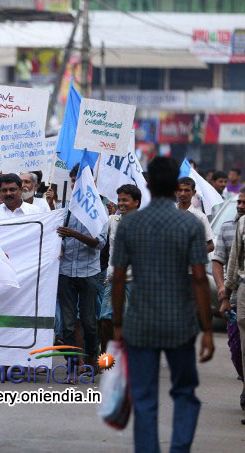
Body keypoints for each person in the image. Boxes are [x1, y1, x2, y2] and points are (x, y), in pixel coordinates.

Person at [112, 156, 214, 453]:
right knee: (184, 392)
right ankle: (179, 448)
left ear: (148, 186)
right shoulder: (190, 223)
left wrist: (118, 324)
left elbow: (118, 278)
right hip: (180, 324)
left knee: (144, 395)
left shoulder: (130, 224)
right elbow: (199, 278)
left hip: (140, 323)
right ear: (174, 187)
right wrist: (207, 329)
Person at [56, 165, 108, 377]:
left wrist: (73, 234)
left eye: (80, 181)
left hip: (89, 273)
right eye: (73, 181)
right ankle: (72, 364)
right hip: (66, 272)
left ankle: (91, 358)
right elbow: (55, 237)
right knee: (68, 324)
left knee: (89, 322)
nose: (76, 185)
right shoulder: (65, 209)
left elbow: (99, 243)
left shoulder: (99, 211)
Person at [100, 184, 141, 353]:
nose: (121, 203)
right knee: (105, 318)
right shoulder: (112, 221)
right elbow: (104, 247)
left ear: (136, 202)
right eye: (119, 200)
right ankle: (106, 356)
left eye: (125, 200)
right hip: (113, 279)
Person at [213, 187, 245, 387]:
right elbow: (222, 262)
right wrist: (223, 291)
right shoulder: (228, 228)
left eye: (244, 203)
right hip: (235, 298)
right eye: (239, 202)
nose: (240, 206)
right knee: (237, 347)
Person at [176, 177, 215, 253]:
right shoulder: (170, 213)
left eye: (186, 190)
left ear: (193, 192)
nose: (183, 193)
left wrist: (194, 254)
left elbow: (210, 245)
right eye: (180, 190)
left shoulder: (200, 217)